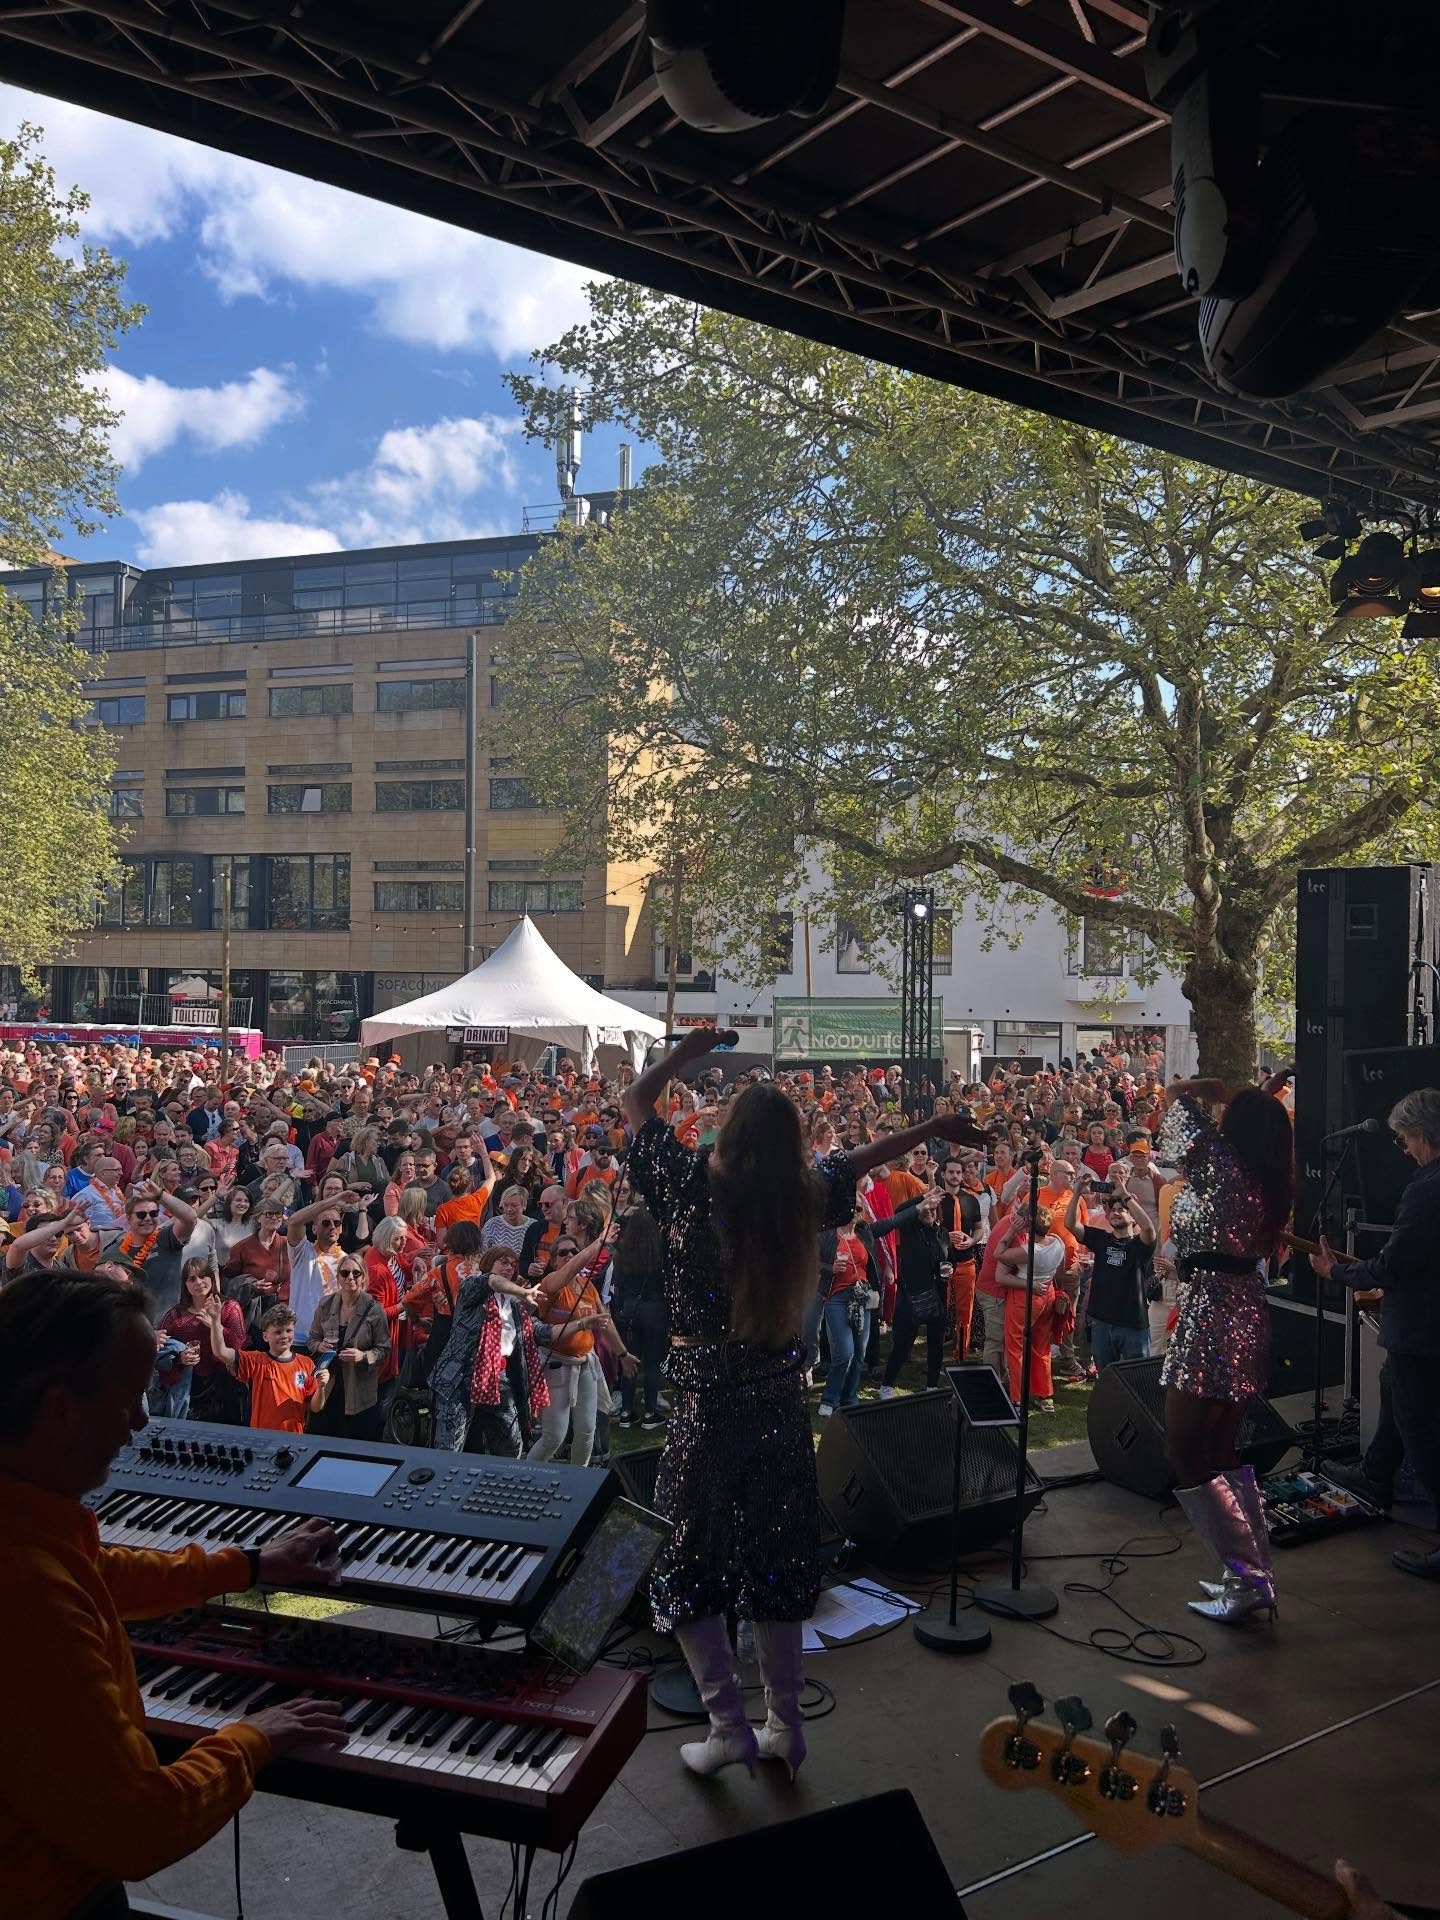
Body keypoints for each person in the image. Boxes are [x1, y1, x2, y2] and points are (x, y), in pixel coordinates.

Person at [622, 1024, 984, 1782]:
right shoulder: (801, 1197)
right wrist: (938, 1126)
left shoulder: (691, 1187)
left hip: (708, 1400)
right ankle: (785, 1726)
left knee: (688, 1559)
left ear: (728, 1135)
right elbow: (862, 1158)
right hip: (781, 1397)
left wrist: (688, 1055)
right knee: (781, 1551)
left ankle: (728, 1728)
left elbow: (635, 1100)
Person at [0, 1268, 348, 1919]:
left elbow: (99, 1571)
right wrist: (252, 1738)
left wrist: (250, 1564)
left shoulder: (29, 1531)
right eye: (129, 1398)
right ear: (60, 1410)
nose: (138, 1424)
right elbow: (139, 1827)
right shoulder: (29, 1598)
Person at [1156, 1074, 1294, 1625]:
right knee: (1220, 1451)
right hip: (1242, 1308)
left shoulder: (1223, 1166)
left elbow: (1174, 1101)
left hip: (1212, 1311)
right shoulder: (1265, 1178)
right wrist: (1246, 1096)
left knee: (1185, 1450)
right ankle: (1253, 1574)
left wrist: (1208, 1085)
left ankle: (1246, 1574)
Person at [1311, 1086, 1440, 1580]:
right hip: (1426, 1327)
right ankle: (1376, 1477)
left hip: (1423, 1332)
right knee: (1390, 1389)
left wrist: (1335, 1273)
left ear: (1424, 1134)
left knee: (1421, 1431)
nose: (1404, 1150)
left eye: (1406, 1139)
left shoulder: (1427, 1188)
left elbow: (1393, 1264)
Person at [427, 1229, 547, 1454]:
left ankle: (503, 1485)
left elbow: (542, 1332)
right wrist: (523, 1292)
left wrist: (582, 1326)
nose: (509, 1267)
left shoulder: (514, 1306)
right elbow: (490, 1281)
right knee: (450, 1448)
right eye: (503, 1262)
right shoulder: (472, 1287)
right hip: (460, 1378)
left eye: (513, 1264)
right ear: (489, 1263)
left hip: (497, 1379)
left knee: (510, 1446)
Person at [1066, 1167, 1156, 1369]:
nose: (1116, 1212)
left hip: (1133, 1325)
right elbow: (1071, 1224)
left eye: (1122, 1210)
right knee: (1106, 1380)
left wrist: (1126, 1196)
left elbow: (1149, 1229)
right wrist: (1076, 1192)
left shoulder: (1139, 1246)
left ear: (1132, 1217)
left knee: (1136, 1380)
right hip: (1102, 1323)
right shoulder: (1101, 1239)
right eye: (1112, 1210)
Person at [306, 1253, 390, 1440]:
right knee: (322, 1440)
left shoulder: (374, 1309)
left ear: (364, 1278)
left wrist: (363, 1356)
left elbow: (384, 1349)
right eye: (344, 1273)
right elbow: (311, 1339)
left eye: (356, 1273)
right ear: (338, 1278)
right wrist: (320, 1346)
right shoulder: (325, 1304)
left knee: (356, 1443)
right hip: (328, 1385)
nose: (350, 1277)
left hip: (358, 1388)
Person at [154, 1260, 249, 1424]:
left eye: (203, 1276)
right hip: (188, 1390)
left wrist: (215, 1325)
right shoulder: (175, 1315)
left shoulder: (229, 1308)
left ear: (212, 1278)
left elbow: (239, 1347)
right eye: (192, 1279)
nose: (198, 1282)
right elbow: (159, 1353)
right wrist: (179, 1358)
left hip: (224, 1387)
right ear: (185, 1284)